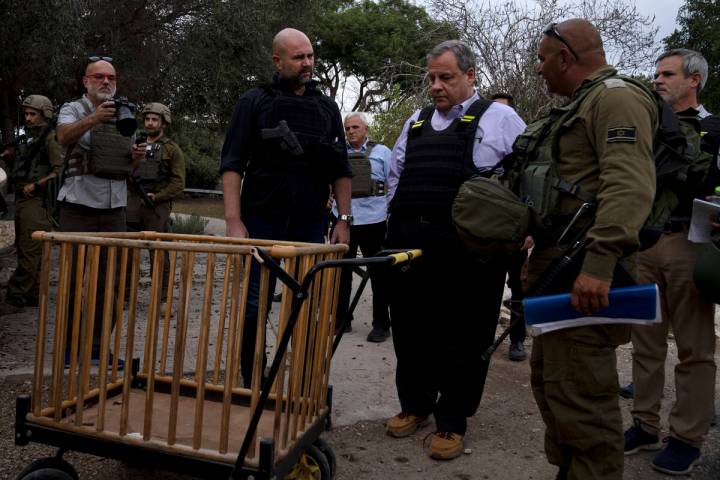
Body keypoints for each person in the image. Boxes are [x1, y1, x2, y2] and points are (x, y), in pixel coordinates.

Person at [518, 19, 657, 479]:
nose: (539, 69)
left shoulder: (615, 97)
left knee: (582, 397)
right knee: (554, 384)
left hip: (587, 273)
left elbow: (628, 186)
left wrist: (599, 264)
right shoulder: (582, 102)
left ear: (565, 56)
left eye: (542, 59)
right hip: (560, 266)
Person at [384, 40, 526, 460]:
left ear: (470, 76)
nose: (436, 86)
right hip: (412, 243)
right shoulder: (416, 120)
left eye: (445, 77)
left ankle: (452, 420)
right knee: (410, 330)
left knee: (464, 335)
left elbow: (524, 177)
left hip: (470, 250)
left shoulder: (501, 118)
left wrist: (519, 230)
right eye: (431, 78)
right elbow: (396, 175)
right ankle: (415, 405)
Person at [220, 28, 352, 388]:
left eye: (310, 55)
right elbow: (232, 163)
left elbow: (340, 169)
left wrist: (343, 218)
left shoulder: (327, 107)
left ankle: (304, 387)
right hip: (261, 220)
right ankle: (252, 383)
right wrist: (233, 220)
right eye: (298, 57)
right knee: (254, 308)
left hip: (309, 225)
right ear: (278, 61)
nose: (307, 63)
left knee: (307, 307)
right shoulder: (253, 102)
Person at [624, 48, 716, 476]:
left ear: (693, 80)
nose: (657, 79)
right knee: (645, 344)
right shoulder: (647, 126)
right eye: (656, 73)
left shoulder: (715, 130)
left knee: (695, 350)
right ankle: (643, 424)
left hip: (689, 244)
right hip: (645, 244)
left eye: (667, 74)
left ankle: (686, 437)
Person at [56, 57, 144, 360]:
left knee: (112, 282)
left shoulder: (125, 114)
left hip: (114, 208)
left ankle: (96, 347)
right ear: (86, 81)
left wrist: (137, 156)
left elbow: (126, 169)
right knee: (72, 280)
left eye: (111, 77)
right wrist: (95, 118)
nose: (106, 82)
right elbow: (63, 136)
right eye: (99, 77)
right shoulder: (72, 109)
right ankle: (69, 347)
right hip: (78, 205)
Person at [0, 95, 62, 315]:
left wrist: (36, 185)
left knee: (30, 251)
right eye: (26, 114)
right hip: (21, 200)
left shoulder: (49, 139)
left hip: (36, 202)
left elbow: (58, 171)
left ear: (44, 114)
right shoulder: (27, 139)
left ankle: (16, 297)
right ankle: (33, 294)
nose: (27, 118)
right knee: (26, 248)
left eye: (32, 114)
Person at [333, 112, 392, 342]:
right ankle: (341, 320)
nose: (350, 132)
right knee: (341, 273)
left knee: (379, 274)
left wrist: (388, 213)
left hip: (375, 220)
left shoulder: (382, 153)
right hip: (344, 221)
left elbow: (394, 181)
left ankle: (381, 324)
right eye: (347, 128)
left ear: (366, 129)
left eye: (355, 127)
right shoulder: (339, 154)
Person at [127, 102, 186, 304]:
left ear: (163, 123)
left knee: (158, 252)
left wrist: (158, 196)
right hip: (133, 204)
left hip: (156, 207)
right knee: (126, 251)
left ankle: (161, 298)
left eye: (155, 120)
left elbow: (178, 183)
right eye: (147, 119)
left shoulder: (172, 149)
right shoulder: (135, 145)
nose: (150, 123)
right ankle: (124, 295)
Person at [491, 92, 528, 361]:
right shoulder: (482, 150)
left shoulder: (526, 151)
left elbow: (534, 193)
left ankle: (517, 339)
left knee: (518, 288)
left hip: (516, 235)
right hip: (487, 234)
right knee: (486, 286)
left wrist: (530, 232)